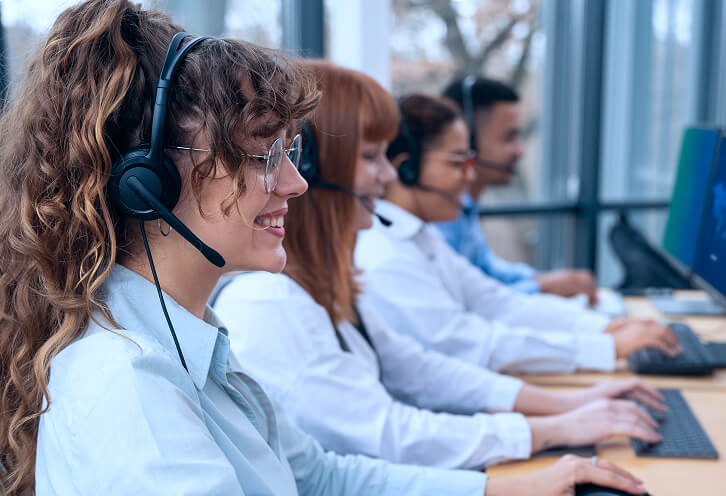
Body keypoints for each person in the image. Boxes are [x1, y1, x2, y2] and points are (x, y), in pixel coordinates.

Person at [0, 2, 680, 496]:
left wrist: (510, 491)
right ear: (150, 183)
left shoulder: (182, 337)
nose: (295, 183)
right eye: (263, 156)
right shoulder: (126, 391)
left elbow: (321, 479)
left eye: (288, 154)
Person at [214, 61, 665, 472]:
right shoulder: (274, 303)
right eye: (372, 158)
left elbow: (418, 367)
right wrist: (555, 426)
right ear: (313, 171)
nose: (389, 177)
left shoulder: (324, 286)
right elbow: (390, 431)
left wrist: (570, 405)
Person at [355, 94, 682, 375]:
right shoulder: (385, 256)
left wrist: (604, 328)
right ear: (406, 169)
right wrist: (604, 346)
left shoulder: (420, 236)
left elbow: (499, 304)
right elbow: (469, 343)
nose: (469, 177)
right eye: (457, 163)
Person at [439, 76, 598, 301]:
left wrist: (543, 280)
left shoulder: (465, 207)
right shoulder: (439, 216)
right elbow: (467, 301)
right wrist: (541, 287)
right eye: (509, 138)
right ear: (467, 140)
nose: (520, 151)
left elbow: (487, 272)